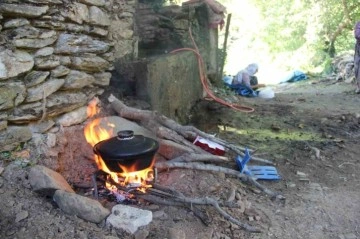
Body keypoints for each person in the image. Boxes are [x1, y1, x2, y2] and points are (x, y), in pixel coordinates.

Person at [354, 21, 360, 94]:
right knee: (357, 67)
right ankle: (358, 86)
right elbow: (357, 35)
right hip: (359, 47)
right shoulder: (359, 24)